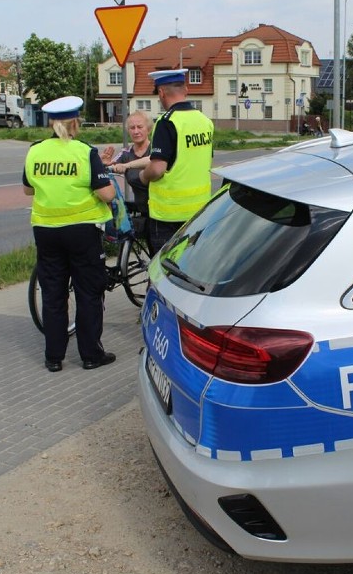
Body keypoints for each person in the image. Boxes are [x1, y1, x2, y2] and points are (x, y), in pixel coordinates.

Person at [22, 95, 117, 373]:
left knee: (52, 293)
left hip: (46, 231)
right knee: (88, 292)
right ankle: (90, 355)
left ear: (52, 123)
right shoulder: (84, 152)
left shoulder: (35, 150)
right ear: (75, 122)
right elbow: (106, 193)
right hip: (81, 233)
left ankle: (53, 357)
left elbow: (28, 189)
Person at [138, 68, 214, 255]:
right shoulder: (205, 121)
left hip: (168, 216)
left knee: (164, 272)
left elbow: (157, 169)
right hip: (199, 212)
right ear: (186, 89)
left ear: (161, 93)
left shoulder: (167, 122)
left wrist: (142, 176)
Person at [101, 110, 152, 220]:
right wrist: (104, 164)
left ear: (149, 129)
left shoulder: (155, 149)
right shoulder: (126, 153)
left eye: (140, 127)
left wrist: (127, 165)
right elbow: (109, 168)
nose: (136, 131)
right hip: (142, 212)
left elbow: (152, 160)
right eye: (132, 128)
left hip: (161, 210)